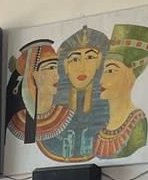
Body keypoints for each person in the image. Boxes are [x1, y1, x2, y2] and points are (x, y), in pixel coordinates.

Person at [37, 25, 110, 163]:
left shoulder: (109, 113)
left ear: (99, 62)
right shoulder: (49, 113)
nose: (82, 67)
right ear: (65, 65)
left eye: (90, 57)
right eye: (75, 59)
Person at [94, 23, 148, 160]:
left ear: (130, 74)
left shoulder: (138, 123)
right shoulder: (102, 124)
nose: (100, 80)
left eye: (110, 71)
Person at [6, 40, 72, 148]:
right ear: (32, 74)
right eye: (51, 67)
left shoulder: (66, 114)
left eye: (57, 67)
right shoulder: (17, 121)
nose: (57, 76)